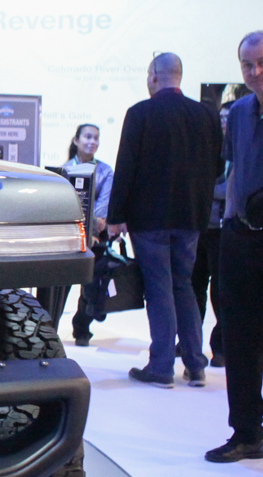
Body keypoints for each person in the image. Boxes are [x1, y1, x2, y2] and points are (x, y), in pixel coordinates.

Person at [107, 52, 220, 389]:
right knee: (184, 286)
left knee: (159, 289)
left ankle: (160, 367)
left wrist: (115, 217)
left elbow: (126, 166)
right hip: (192, 217)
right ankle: (196, 366)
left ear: (153, 76)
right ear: (179, 77)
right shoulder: (206, 115)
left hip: (150, 218)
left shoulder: (140, 113)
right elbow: (215, 167)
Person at [205, 31, 263, 462]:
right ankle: (246, 432)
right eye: (248, 65)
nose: (256, 72)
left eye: (261, 62)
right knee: (238, 338)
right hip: (240, 237)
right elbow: (233, 168)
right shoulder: (241, 111)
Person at [191, 96, 235, 368]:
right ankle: (189, 343)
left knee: (221, 292)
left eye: (229, 119)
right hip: (198, 228)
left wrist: (209, 192)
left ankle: (220, 347)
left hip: (225, 231)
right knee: (193, 288)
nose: (224, 123)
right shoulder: (206, 147)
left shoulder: (243, 150)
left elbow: (230, 190)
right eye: (222, 118)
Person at [62, 124, 114, 346]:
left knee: (91, 285)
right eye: (88, 137)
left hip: (95, 237)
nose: (92, 142)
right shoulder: (63, 170)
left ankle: (82, 328)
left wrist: (92, 229)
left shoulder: (105, 171)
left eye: (96, 138)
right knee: (61, 284)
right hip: (67, 235)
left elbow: (102, 209)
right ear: (76, 140)